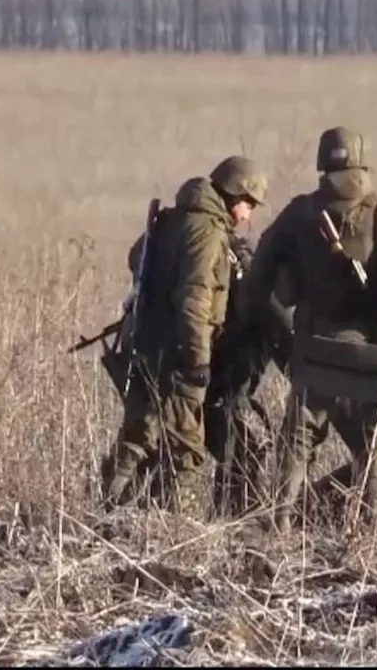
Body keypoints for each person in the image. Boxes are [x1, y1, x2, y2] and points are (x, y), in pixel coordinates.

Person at [240, 126, 377, 532]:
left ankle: (280, 524)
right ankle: (374, 529)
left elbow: (260, 270)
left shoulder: (300, 213)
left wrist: (253, 314)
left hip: (317, 347)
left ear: (322, 163)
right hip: (372, 350)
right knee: (376, 444)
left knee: (297, 441)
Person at [100, 155, 269, 516]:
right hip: (178, 354)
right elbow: (195, 299)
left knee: (139, 432)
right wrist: (198, 360)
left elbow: (136, 258)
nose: (248, 216)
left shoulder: (173, 219)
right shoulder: (207, 233)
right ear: (233, 195)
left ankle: (106, 509)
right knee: (186, 451)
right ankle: (179, 532)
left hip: (145, 344)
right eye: (248, 204)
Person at [203, 231, 294, 519]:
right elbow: (289, 351)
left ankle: (230, 518)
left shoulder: (250, 285)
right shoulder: (265, 299)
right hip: (215, 387)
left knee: (243, 448)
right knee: (243, 450)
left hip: (214, 387)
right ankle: (235, 522)